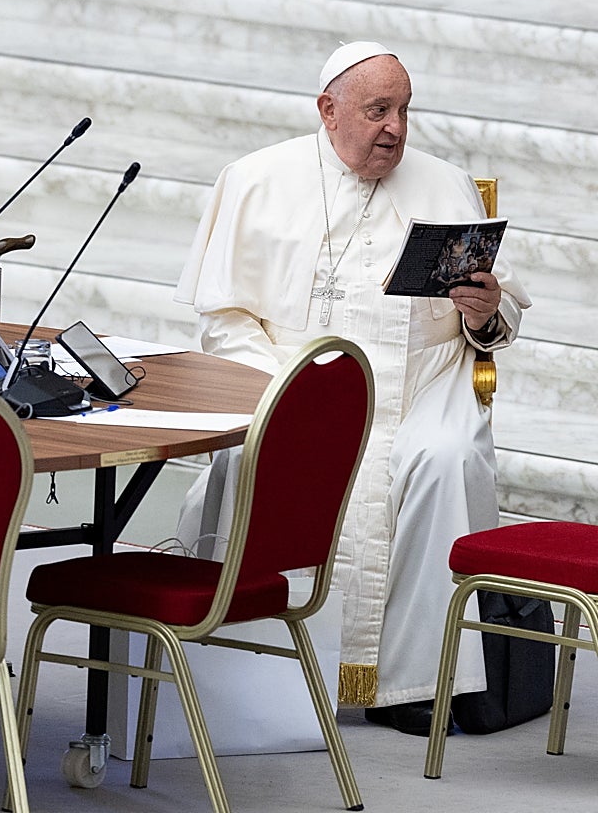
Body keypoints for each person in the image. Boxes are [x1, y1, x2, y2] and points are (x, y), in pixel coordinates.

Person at [172, 41, 532, 736]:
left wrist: (483, 312)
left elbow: (500, 314)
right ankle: (263, 671)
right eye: (378, 110)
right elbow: (224, 317)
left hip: (423, 388)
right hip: (291, 386)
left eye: (404, 111)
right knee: (265, 456)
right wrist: (289, 390)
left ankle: (416, 682)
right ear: (328, 110)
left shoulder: (445, 183)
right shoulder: (255, 180)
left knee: (445, 457)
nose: (395, 128)